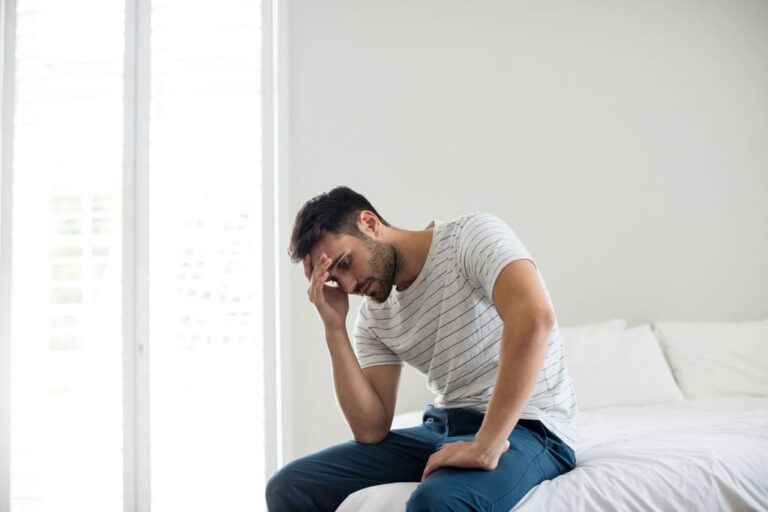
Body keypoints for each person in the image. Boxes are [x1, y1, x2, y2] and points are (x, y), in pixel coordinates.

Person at [266, 186, 578, 511]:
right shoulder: (375, 316)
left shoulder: (470, 237)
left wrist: (486, 445)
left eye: (345, 263)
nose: (347, 286)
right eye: (332, 279)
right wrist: (334, 327)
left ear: (370, 223)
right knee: (289, 487)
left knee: (438, 501)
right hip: (445, 426)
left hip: (530, 428)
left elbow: (534, 320)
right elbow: (370, 429)